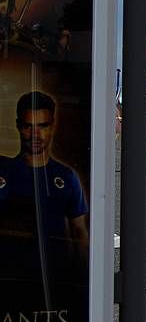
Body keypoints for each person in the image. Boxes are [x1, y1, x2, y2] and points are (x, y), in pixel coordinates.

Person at [0, 92, 89, 305]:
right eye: (28, 126)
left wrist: (84, 282)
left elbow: (80, 234)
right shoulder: (4, 172)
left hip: (55, 284)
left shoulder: (67, 178)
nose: (35, 134)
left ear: (53, 126)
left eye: (42, 126)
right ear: (18, 126)